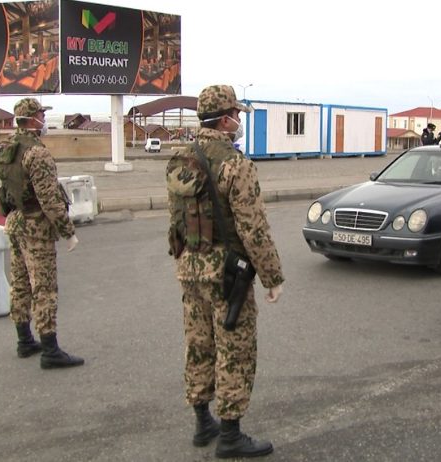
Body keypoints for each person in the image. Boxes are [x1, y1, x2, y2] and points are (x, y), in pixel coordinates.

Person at [166, 85, 285, 459]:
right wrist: (272, 276)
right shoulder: (236, 163)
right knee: (234, 348)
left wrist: (184, 259)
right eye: (236, 115)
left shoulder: (179, 158)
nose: (239, 122)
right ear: (225, 119)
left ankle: (203, 423)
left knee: (199, 344)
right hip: (226, 272)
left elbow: (176, 220)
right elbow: (253, 227)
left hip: (190, 266)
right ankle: (230, 433)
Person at [0, 98, 83, 369]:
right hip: (35, 227)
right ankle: (50, 349)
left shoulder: (5, 147)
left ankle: (24, 340)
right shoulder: (37, 153)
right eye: (41, 116)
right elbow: (49, 199)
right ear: (32, 119)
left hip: (15, 221)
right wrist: (68, 231)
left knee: (20, 283)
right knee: (43, 287)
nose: (44, 120)